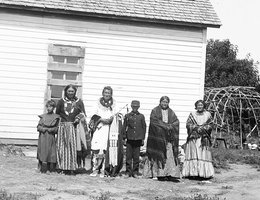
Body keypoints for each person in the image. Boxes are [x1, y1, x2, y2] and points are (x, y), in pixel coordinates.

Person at [90, 86, 123, 177]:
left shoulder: (114, 104)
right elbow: (93, 114)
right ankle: (95, 169)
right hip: (99, 127)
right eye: (105, 92)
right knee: (96, 148)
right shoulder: (97, 103)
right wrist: (101, 119)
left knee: (106, 149)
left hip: (109, 128)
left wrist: (112, 119)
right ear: (102, 93)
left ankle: (104, 169)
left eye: (109, 93)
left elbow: (118, 114)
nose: (107, 94)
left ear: (111, 94)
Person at [145, 96, 180, 181]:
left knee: (169, 154)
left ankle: (169, 173)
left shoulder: (171, 112)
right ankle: (158, 174)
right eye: (163, 102)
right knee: (158, 155)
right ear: (160, 102)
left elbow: (176, 122)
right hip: (157, 139)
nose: (164, 104)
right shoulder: (155, 111)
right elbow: (154, 122)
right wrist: (165, 126)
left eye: (166, 102)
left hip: (168, 138)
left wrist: (170, 126)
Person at [56, 84, 86, 175]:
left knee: (73, 148)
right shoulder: (61, 101)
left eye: (72, 91)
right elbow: (57, 114)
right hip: (63, 127)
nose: (70, 93)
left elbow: (83, 113)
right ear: (66, 91)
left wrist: (78, 118)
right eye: (69, 91)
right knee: (62, 147)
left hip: (74, 127)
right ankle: (62, 167)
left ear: (75, 92)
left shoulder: (79, 102)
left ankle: (72, 168)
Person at [182, 100, 214, 179]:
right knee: (193, 154)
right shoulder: (192, 114)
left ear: (204, 106)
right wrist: (196, 128)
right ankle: (193, 173)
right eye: (198, 105)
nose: (200, 106)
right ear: (196, 106)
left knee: (203, 154)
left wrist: (203, 128)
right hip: (194, 137)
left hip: (204, 138)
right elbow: (188, 124)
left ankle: (204, 173)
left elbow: (210, 125)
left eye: (201, 105)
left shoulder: (208, 114)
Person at [122, 100, 146, 178]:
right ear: (131, 107)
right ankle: (128, 172)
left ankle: (135, 172)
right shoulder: (127, 116)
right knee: (128, 157)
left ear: (139, 107)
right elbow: (124, 127)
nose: (135, 108)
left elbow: (144, 127)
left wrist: (142, 138)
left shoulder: (141, 116)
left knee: (136, 157)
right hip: (130, 139)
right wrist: (124, 137)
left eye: (136, 106)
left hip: (138, 139)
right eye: (133, 106)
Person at [37, 100, 60, 173]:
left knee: (51, 151)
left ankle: (50, 168)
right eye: (47, 106)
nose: (49, 108)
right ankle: (41, 167)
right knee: (42, 151)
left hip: (50, 137)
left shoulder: (56, 117)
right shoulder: (43, 116)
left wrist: (51, 130)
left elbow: (57, 128)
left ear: (54, 107)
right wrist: (43, 129)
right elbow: (38, 127)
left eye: (51, 106)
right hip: (43, 137)